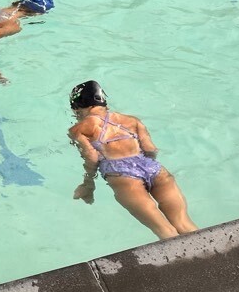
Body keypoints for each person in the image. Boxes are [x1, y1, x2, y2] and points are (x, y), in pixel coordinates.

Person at [68, 80, 197, 240]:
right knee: (185, 225)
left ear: (79, 107)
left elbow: (92, 157)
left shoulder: (78, 129)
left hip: (123, 177)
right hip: (154, 169)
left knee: (166, 233)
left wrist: (88, 184)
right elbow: (150, 149)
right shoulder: (132, 120)